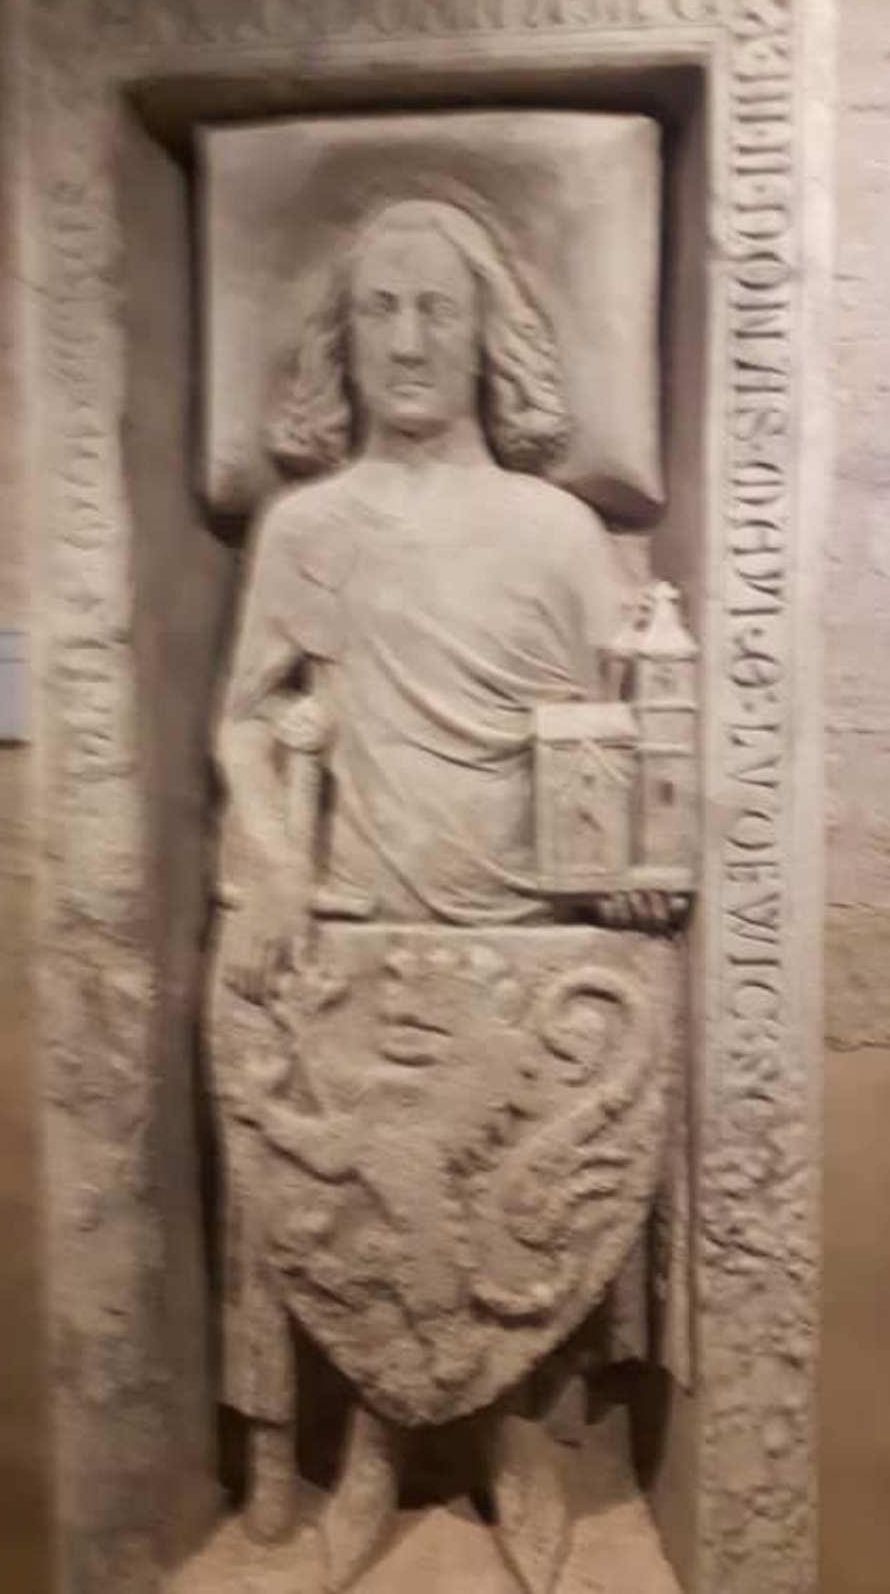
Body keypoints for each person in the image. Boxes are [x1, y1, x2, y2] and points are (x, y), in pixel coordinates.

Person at [208, 199, 659, 1589]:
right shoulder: (307, 527)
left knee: (507, 1199)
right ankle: (373, 1458)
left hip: (524, 926)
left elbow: (624, 733)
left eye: (435, 310)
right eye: (379, 310)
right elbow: (246, 719)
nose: (407, 341)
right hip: (359, 923)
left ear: (483, 338)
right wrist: (275, 869)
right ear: (342, 342)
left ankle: (517, 1439)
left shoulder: (555, 531)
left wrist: (632, 872)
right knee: (362, 1206)